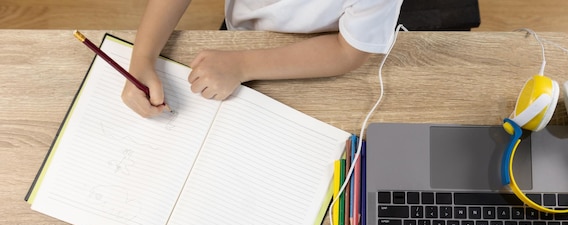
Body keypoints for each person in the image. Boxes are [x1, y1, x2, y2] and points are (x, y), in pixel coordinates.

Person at [122, 0, 404, 117]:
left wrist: (243, 64)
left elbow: (348, 50)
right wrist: (143, 58)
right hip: (245, 30)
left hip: (317, 49)